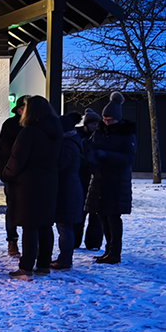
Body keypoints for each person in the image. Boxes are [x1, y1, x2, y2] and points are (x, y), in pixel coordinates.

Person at [2, 95, 63, 278]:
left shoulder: (28, 132)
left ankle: (26, 267)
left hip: (28, 185)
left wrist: (5, 174)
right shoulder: (56, 131)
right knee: (45, 225)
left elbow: (17, 159)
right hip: (49, 183)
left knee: (29, 226)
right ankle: (43, 264)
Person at [84, 92, 137, 265]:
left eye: (110, 120)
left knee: (113, 217)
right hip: (100, 179)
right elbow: (92, 146)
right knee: (102, 215)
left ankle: (114, 252)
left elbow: (128, 158)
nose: (106, 122)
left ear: (117, 119)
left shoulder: (126, 134)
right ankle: (108, 250)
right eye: (105, 119)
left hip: (117, 181)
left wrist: (106, 155)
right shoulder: (100, 131)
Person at [0, 95, 29, 258]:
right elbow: (3, 148)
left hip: (28, 175)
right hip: (13, 173)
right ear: (19, 110)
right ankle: (12, 240)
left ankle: (29, 241)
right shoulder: (10, 125)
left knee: (29, 208)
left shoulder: (34, 125)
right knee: (12, 206)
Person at [52, 114, 84, 269]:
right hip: (70, 188)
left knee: (64, 227)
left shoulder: (67, 144)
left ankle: (65, 260)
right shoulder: (73, 142)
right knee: (65, 226)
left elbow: (60, 165)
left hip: (67, 190)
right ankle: (64, 258)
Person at [74, 108, 104, 251]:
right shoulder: (79, 138)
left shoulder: (101, 137)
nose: (95, 126)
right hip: (81, 178)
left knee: (95, 212)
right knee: (79, 211)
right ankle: (75, 240)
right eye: (92, 124)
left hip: (96, 178)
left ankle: (93, 242)